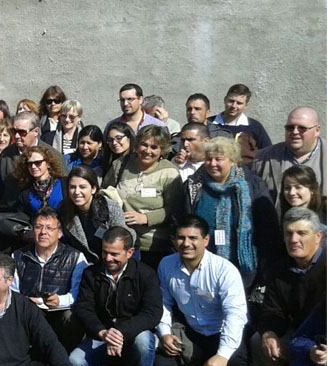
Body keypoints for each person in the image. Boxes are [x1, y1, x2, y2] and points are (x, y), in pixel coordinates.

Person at [154, 216, 250, 366]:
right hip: (191, 331)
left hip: (221, 331)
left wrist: (223, 355)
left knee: (235, 361)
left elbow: (235, 315)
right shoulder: (166, 264)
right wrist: (165, 333)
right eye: (181, 238)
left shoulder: (224, 270)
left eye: (193, 238)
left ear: (206, 240)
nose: (186, 243)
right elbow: (164, 303)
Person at [69, 227, 161, 366]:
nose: (108, 258)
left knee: (144, 341)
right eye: (105, 252)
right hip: (102, 334)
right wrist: (102, 332)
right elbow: (84, 307)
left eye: (114, 254)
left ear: (130, 252)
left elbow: (152, 313)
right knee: (75, 363)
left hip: (133, 333)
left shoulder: (146, 274)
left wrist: (119, 333)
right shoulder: (91, 273)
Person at [251, 208, 325, 366]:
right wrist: (269, 332)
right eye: (288, 233)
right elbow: (273, 309)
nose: (294, 239)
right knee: (259, 341)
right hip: (298, 335)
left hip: (323, 337)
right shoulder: (279, 269)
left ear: (318, 237)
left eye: (302, 233)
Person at [181, 137, 278, 289]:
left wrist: (265, 270)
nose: (212, 164)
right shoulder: (193, 186)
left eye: (218, 159)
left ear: (233, 161)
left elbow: (268, 229)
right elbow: (180, 222)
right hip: (201, 266)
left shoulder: (252, 186)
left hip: (241, 271)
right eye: (208, 159)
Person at [11, 208, 88, 352]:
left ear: (59, 233)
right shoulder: (18, 256)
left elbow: (78, 295)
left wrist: (59, 301)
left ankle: (65, 356)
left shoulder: (76, 257)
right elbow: (12, 292)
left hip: (59, 313)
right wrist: (26, 301)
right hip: (29, 312)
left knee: (72, 317)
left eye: (49, 228)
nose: (43, 232)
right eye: (38, 227)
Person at [113, 125, 182, 268]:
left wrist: (146, 218)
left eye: (154, 147)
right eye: (144, 144)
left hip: (154, 247)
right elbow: (106, 191)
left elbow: (175, 209)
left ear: (162, 150)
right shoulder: (121, 164)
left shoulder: (169, 172)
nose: (147, 151)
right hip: (122, 242)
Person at [0, 111, 67, 212]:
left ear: (36, 132)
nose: (16, 136)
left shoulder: (53, 156)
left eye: (22, 132)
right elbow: (2, 190)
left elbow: (63, 188)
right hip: (14, 214)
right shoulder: (5, 156)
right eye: (13, 131)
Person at [59, 166, 131, 264]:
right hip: (81, 262)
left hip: (110, 260)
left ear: (93, 189)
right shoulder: (64, 210)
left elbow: (121, 239)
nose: (76, 192)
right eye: (72, 187)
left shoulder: (108, 207)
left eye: (82, 187)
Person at [252, 106, 324, 202]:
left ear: (317, 130)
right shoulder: (263, 158)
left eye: (302, 128)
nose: (295, 132)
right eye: (290, 127)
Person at [211, 84, 272, 149]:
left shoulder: (255, 127)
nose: (234, 106)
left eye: (239, 103)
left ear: (246, 106)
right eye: (231, 101)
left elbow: (268, 151)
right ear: (225, 100)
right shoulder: (208, 123)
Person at [14, 145, 66, 218]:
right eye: (30, 164)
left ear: (48, 163)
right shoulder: (25, 193)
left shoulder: (64, 184)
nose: (33, 167)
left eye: (38, 162)